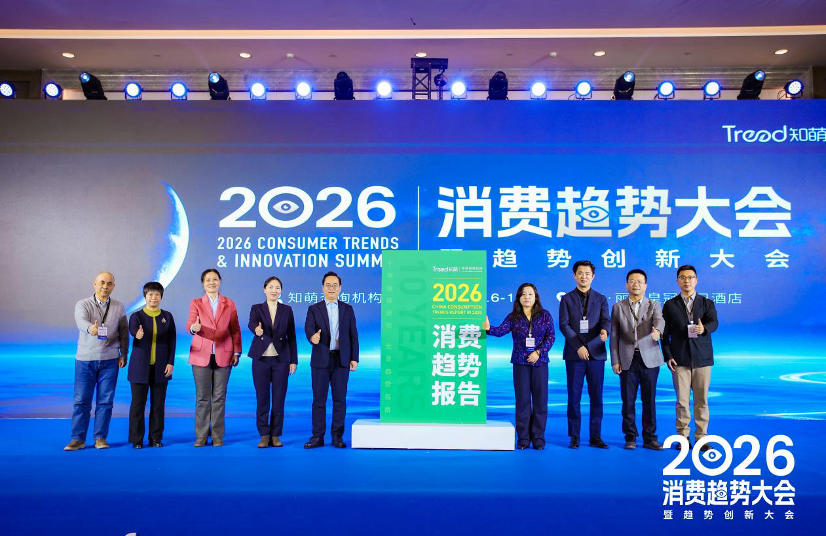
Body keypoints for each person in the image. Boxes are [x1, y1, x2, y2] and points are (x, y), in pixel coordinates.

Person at [484, 283, 555, 450]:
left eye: (530, 294)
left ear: (535, 297)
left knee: (540, 401)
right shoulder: (513, 316)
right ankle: (523, 439)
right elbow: (500, 331)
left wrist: (538, 352)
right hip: (520, 363)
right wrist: (488, 329)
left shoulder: (545, 315)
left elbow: (551, 337)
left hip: (540, 363)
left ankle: (538, 438)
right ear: (518, 298)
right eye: (523, 294)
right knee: (522, 401)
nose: (527, 297)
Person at [65, 272, 129, 451]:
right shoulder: (83, 304)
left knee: (106, 402)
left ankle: (100, 438)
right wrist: (90, 329)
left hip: (110, 360)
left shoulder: (119, 307)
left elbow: (124, 332)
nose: (105, 286)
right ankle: (77, 439)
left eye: (109, 283)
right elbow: (81, 322)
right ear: (94, 284)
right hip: (85, 360)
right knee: (81, 401)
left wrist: (124, 354)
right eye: (102, 282)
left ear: (113, 286)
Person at [661, 265, 718, 451]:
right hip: (680, 360)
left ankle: (702, 438)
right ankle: (683, 437)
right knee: (682, 402)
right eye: (683, 277)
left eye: (691, 277)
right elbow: (664, 334)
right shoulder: (670, 305)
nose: (687, 281)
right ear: (677, 281)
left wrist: (704, 329)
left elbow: (714, 322)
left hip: (702, 359)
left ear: (696, 280)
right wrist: (668, 356)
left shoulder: (707, 303)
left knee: (702, 401)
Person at [610, 269, 665, 451]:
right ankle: (630, 437)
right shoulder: (618, 307)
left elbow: (660, 321)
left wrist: (658, 331)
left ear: (645, 285)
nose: (636, 284)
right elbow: (614, 335)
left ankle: (650, 438)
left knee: (649, 400)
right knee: (628, 400)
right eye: (632, 281)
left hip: (649, 358)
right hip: (627, 359)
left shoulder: (653, 304)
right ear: (626, 285)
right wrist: (615, 360)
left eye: (639, 281)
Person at [558, 260, 611, 449]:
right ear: (574, 275)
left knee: (596, 397)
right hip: (575, 355)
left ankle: (596, 436)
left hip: (596, 354)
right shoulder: (566, 299)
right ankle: (574, 436)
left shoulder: (601, 298)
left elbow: (606, 320)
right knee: (574, 397)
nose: (584, 276)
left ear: (593, 276)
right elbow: (564, 325)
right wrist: (578, 347)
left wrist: (605, 331)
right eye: (580, 273)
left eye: (587, 273)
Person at [186, 268, 242, 447]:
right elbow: (190, 323)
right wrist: (193, 328)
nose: (212, 282)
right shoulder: (196, 303)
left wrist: (236, 352)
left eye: (215, 279)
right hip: (200, 355)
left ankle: (217, 435)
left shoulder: (229, 303)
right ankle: (201, 435)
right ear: (203, 284)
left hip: (224, 354)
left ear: (220, 281)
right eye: (208, 280)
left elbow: (235, 329)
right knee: (202, 397)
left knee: (219, 397)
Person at [304, 271, 359, 449]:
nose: (331, 288)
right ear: (323, 288)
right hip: (320, 360)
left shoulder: (347, 309)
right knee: (318, 400)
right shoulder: (314, 309)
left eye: (335, 285)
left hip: (341, 360)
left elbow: (353, 335)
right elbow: (309, 328)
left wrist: (354, 358)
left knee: (339, 400)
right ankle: (317, 436)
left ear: (340, 288)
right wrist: (313, 337)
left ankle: (337, 436)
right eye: (328, 285)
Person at [248, 276, 298, 448]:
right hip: (261, 360)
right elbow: (251, 324)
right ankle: (263, 434)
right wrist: (256, 330)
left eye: (277, 287)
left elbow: (292, 336)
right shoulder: (256, 308)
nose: (274, 290)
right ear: (264, 289)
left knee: (278, 399)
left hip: (281, 360)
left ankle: (276, 434)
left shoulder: (287, 310)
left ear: (281, 291)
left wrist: (294, 360)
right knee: (262, 398)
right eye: (271, 287)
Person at [127, 282, 176, 449]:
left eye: (157, 294)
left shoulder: (167, 316)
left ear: (161, 297)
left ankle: (156, 437)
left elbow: (172, 341)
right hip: (140, 367)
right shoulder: (136, 316)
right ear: (145, 296)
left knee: (158, 405)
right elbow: (133, 330)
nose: (153, 298)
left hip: (161, 367)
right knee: (137, 404)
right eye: (150, 294)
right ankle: (137, 439)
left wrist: (170, 362)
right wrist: (137, 334)